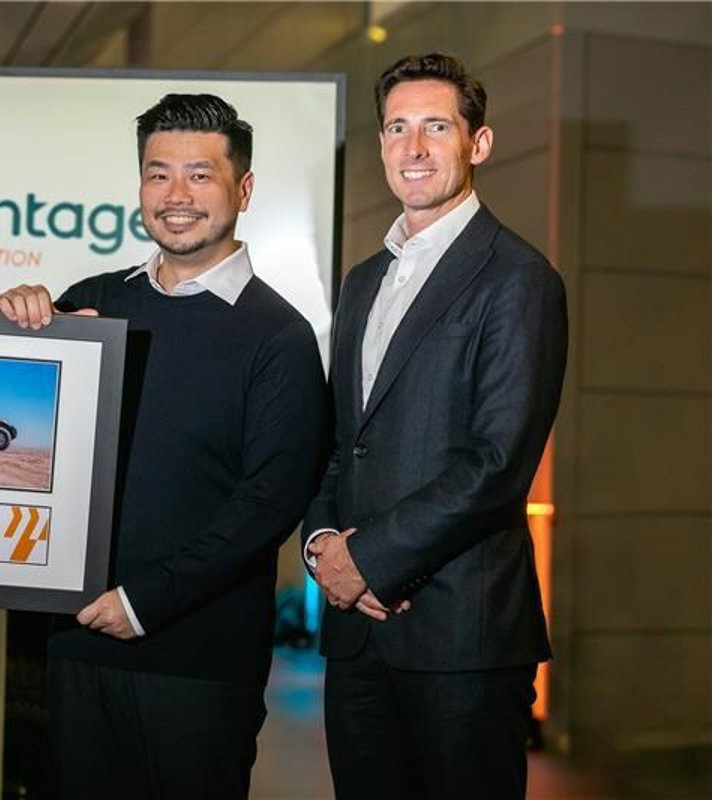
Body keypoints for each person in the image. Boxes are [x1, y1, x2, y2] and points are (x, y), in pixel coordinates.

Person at [0, 94, 330, 799]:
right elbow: (19, 431)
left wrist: (144, 601)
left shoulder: (279, 337)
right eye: (158, 174)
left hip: (199, 664)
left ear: (243, 189)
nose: (176, 196)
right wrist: (14, 326)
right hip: (78, 643)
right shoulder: (92, 303)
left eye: (200, 175)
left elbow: (269, 504)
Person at [302, 52, 568, 799]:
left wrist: (369, 560)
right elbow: (339, 443)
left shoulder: (519, 279)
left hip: (461, 639)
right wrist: (323, 548)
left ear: (478, 143)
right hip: (356, 637)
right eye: (397, 128)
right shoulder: (363, 282)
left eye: (436, 127)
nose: (413, 148)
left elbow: (498, 463)